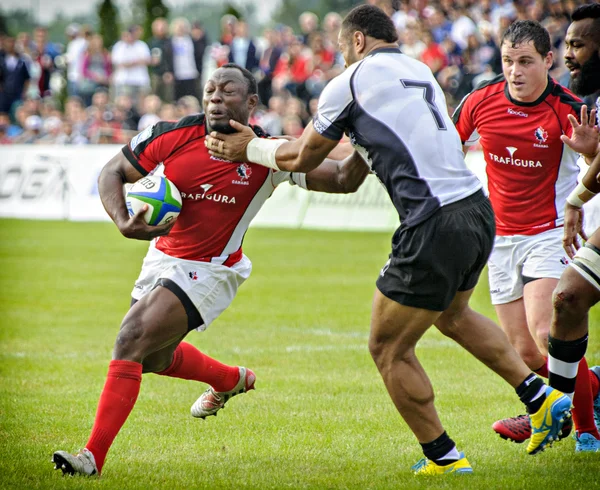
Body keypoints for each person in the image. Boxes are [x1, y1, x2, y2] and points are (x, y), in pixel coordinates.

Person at [205, 5, 572, 474]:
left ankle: (444, 458)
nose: (340, 59)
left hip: (433, 222)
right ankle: (542, 399)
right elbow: (346, 178)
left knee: (387, 347)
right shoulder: (418, 71)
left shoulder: (351, 82)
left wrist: (249, 148)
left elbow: (298, 154)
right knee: (454, 316)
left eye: (341, 49)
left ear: (358, 42)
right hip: (477, 212)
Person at [51, 63, 370, 477]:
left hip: (213, 267)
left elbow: (344, 179)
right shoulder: (172, 135)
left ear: (251, 102)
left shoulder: (269, 154)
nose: (216, 97)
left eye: (228, 90)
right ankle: (229, 379)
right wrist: (123, 220)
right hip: (162, 257)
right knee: (152, 358)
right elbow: (112, 171)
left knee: (129, 338)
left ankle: (90, 459)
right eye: (210, 90)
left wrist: (367, 141)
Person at [452, 19, 600, 451]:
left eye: (525, 62)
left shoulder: (568, 106)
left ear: (548, 61)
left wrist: (591, 147)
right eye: (507, 61)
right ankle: (591, 386)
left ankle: (586, 430)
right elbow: (448, 147)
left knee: (544, 332)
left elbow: (598, 159)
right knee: (526, 355)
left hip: (550, 232)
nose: (515, 71)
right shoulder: (479, 100)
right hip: (498, 239)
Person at [547, 2, 600, 449]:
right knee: (567, 297)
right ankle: (557, 407)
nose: (569, 54)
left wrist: (574, 199)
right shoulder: (591, 100)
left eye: (578, 45)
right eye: (566, 44)